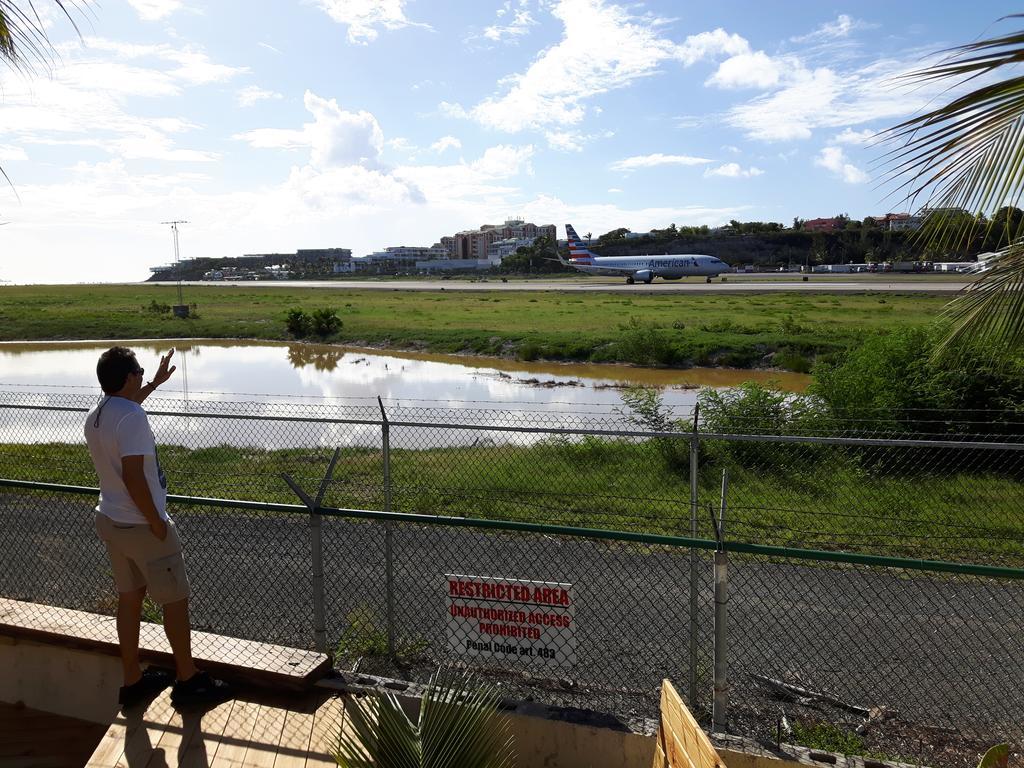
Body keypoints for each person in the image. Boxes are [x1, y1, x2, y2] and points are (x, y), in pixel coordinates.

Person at [85, 346, 230, 710]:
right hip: (141, 526)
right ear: (130, 376)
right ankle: (188, 680)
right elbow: (135, 476)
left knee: (130, 599)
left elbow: (127, 411)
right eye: (140, 371)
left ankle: (132, 681)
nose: (142, 375)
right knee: (175, 601)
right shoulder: (132, 418)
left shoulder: (99, 414)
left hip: (112, 520)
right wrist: (156, 522)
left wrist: (155, 383)